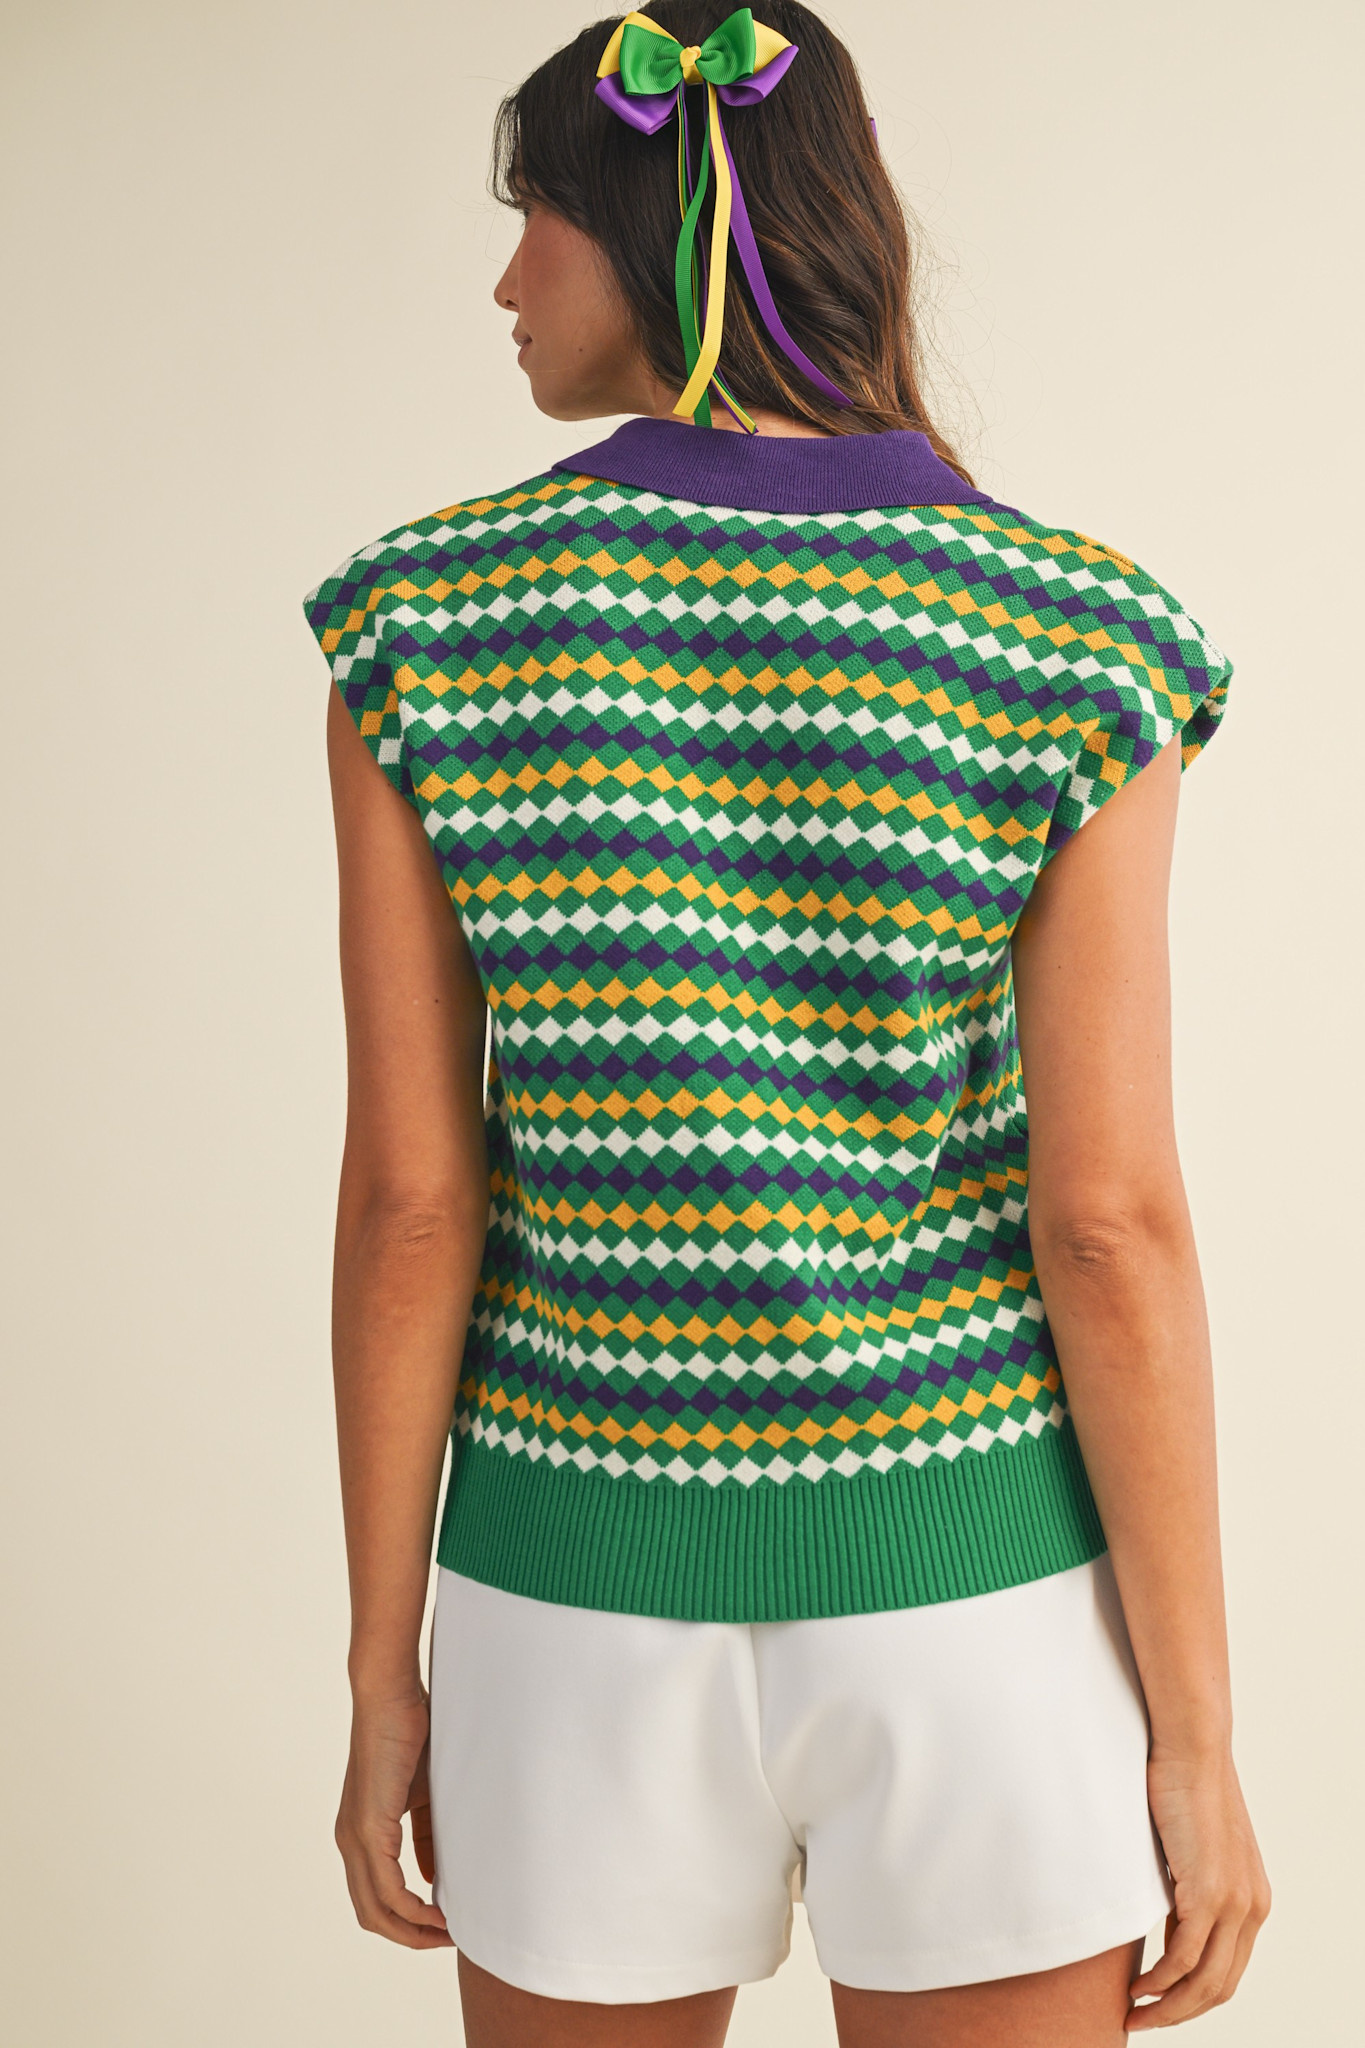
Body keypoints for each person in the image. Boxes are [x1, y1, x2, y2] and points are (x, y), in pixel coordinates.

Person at [305, 6, 1269, 2042]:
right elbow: (1105, 1222)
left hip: (565, 1599)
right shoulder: (1070, 634)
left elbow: (412, 1203)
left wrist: (387, 1671)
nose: (504, 280)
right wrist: (1192, 1738)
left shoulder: (426, 620)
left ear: (664, 228)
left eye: (538, 217)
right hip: (975, 1602)